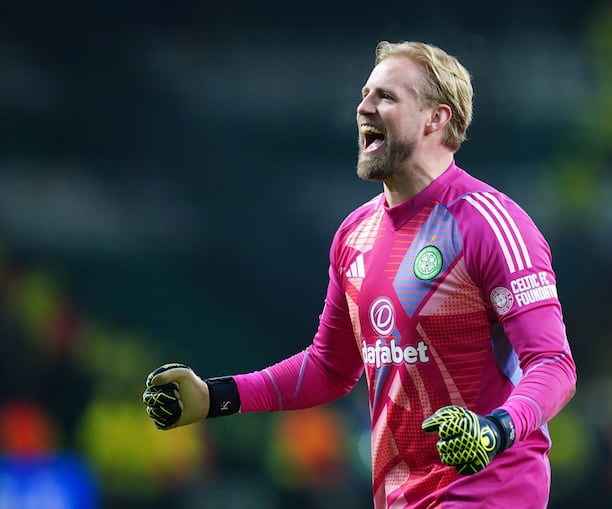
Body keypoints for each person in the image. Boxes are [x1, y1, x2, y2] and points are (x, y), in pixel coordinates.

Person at [143, 40, 577, 509]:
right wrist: (215, 397)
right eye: (365, 94)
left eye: (386, 97)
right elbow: (330, 368)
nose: (363, 107)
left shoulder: (489, 223)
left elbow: (554, 365)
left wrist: (496, 429)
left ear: (437, 119)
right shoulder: (355, 236)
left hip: (489, 495)